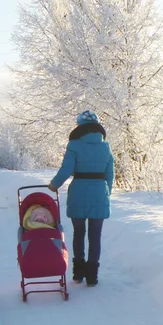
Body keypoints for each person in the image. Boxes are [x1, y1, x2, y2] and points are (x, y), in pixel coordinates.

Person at [48, 110, 114, 287]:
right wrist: (107, 192)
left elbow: (66, 170)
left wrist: (54, 184)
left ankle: (78, 273)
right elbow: (110, 174)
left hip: (79, 191)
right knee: (95, 235)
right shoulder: (105, 146)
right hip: (99, 192)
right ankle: (92, 276)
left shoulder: (74, 145)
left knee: (79, 232)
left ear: (79, 127)